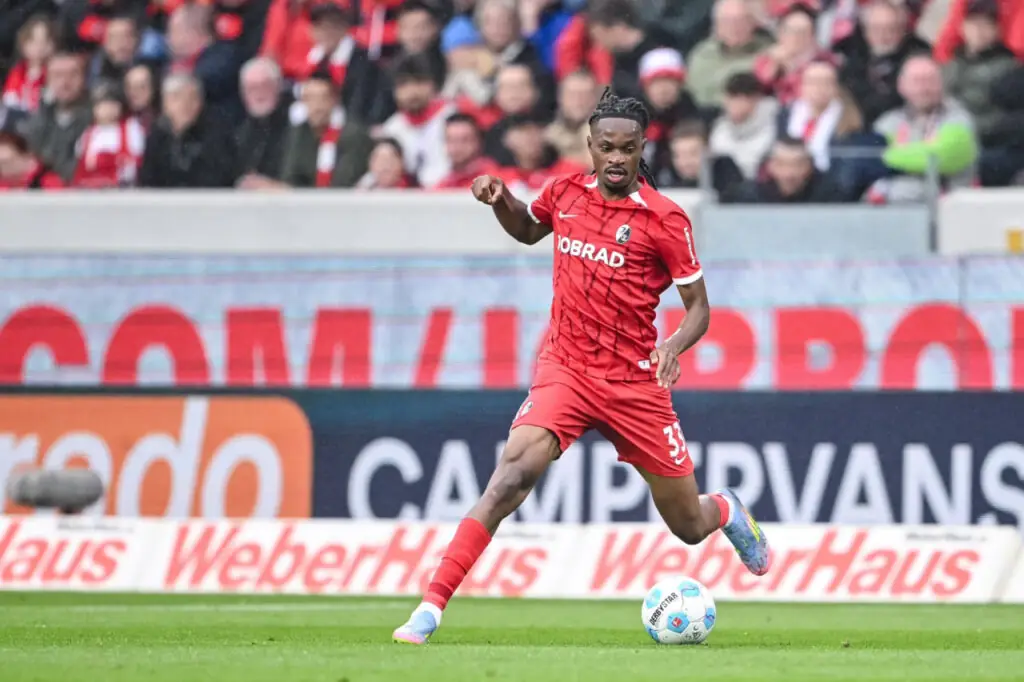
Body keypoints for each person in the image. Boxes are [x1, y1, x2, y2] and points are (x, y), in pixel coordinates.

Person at [392, 88, 771, 646]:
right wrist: (501, 199)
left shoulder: (665, 219)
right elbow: (527, 229)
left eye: (628, 148)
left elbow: (700, 310)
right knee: (510, 478)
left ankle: (725, 509)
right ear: (589, 146)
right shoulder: (565, 192)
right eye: (605, 147)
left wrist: (672, 347)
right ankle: (429, 608)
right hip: (566, 369)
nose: (616, 157)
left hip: (635, 382)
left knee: (688, 526)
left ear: (643, 148)